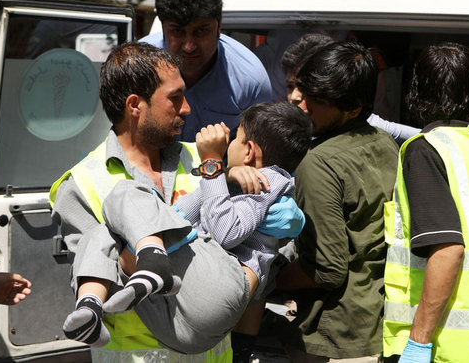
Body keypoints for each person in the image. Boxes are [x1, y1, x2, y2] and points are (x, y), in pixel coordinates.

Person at [50, 41, 234, 362]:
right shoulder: (81, 183)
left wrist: (135, 245)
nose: (187, 108)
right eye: (174, 98)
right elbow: (93, 277)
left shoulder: (203, 159)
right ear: (135, 105)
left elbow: (236, 236)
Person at [98, 102, 312, 357]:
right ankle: (93, 305)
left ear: (249, 151)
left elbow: (225, 233)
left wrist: (211, 163)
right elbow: (181, 214)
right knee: (104, 235)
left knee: (127, 191)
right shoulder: (242, 179)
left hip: (223, 284)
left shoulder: (266, 181)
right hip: (187, 325)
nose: (229, 143)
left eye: (236, 138)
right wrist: (220, 175)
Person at [382, 43, 469, 363]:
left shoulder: (425, 151)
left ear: (416, 91)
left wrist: (419, 343)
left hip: (440, 347)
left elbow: (449, 249)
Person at [276, 41, 399, 361]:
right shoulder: (384, 143)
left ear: (354, 108)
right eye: (301, 90)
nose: (300, 104)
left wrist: (270, 277)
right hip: (375, 322)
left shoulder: (319, 162)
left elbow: (327, 269)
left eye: (316, 102)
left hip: (333, 336)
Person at [140, 0, 271, 141]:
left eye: (201, 31)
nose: (189, 46)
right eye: (177, 32)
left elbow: (257, 153)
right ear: (163, 27)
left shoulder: (251, 80)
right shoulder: (137, 67)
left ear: (219, 25)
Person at [281, 33, 419, 145]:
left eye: (306, 89)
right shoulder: (282, 127)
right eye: (290, 86)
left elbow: (418, 135)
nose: (294, 96)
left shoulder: (364, 127)